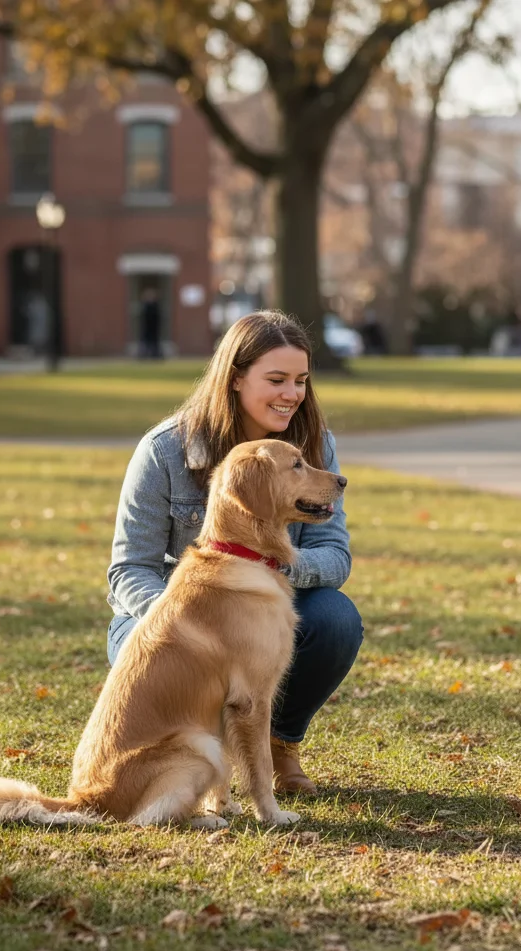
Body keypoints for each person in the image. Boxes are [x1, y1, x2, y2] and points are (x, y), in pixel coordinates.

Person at [106, 310, 362, 796]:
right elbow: (129, 568)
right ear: (236, 378)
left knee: (336, 619)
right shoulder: (164, 450)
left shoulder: (314, 446)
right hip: (165, 619)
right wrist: (186, 614)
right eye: (277, 379)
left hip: (260, 608)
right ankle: (193, 765)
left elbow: (335, 554)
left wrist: (266, 567)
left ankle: (279, 743)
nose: (292, 394)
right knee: (151, 646)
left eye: (301, 381)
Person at [139, 288, 163, 360]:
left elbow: (157, 317)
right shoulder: (145, 306)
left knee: (155, 342)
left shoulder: (155, 305)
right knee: (145, 342)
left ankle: (155, 355)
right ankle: (143, 355)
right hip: (146, 327)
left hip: (154, 327)